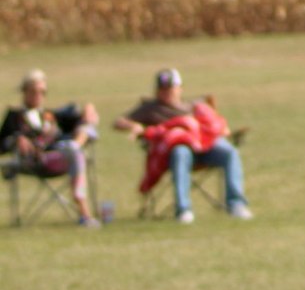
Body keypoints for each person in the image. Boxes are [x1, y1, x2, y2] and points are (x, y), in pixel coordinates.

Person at [112, 67, 251, 223]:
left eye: (171, 89)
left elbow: (212, 123)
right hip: (175, 151)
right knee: (180, 152)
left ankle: (236, 204)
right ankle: (183, 209)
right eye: (163, 89)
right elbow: (118, 122)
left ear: (180, 89)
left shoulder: (194, 106)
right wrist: (134, 126)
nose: (167, 93)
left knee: (229, 152)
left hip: (203, 147)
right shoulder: (150, 109)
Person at [3, 70, 100, 226]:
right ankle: (84, 213)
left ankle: (83, 209)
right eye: (33, 91)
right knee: (74, 151)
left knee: (84, 134)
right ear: (24, 92)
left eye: (42, 92)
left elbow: (80, 119)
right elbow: (2, 145)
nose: (38, 95)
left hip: (61, 157)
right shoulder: (14, 115)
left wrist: (89, 109)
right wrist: (16, 139)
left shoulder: (50, 115)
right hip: (34, 161)